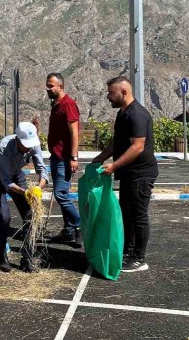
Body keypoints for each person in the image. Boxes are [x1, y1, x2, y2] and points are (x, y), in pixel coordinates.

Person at [92, 77, 158, 273]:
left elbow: (137, 147)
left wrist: (113, 166)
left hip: (141, 173)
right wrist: (100, 158)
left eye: (111, 93)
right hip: (129, 173)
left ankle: (139, 258)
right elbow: (117, 143)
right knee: (126, 214)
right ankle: (127, 251)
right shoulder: (123, 114)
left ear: (123, 92)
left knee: (138, 215)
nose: (108, 97)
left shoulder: (136, 114)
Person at [0, 121, 49, 273]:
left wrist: (38, 188)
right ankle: (2, 256)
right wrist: (24, 192)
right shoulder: (4, 147)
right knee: (4, 217)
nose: (28, 148)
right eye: (25, 145)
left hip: (17, 175)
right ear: (18, 140)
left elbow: (42, 170)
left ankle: (27, 257)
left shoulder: (34, 144)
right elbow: (6, 180)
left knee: (30, 214)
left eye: (30, 144)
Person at [45, 73, 82, 245]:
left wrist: (73, 157)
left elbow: (74, 132)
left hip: (64, 158)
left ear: (61, 87)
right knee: (63, 193)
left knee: (60, 194)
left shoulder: (68, 105)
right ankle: (68, 231)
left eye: (51, 85)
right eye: (47, 85)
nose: (48, 88)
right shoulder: (56, 104)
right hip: (55, 156)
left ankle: (79, 224)